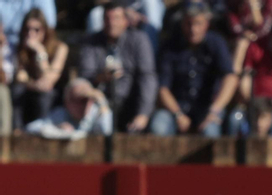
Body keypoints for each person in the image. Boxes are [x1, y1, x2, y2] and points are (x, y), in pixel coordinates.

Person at [153, 3, 239, 136]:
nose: (193, 29)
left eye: (198, 23)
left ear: (206, 24)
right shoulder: (170, 46)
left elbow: (231, 78)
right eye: (189, 23)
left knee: (210, 133)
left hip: (208, 109)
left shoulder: (216, 43)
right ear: (182, 23)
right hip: (176, 108)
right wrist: (178, 114)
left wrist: (214, 110)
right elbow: (163, 88)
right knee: (158, 126)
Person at [76, 0, 158, 132]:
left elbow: (147, 77)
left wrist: (143, 114)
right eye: (107, 18)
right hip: (100, 104)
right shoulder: (90, 42)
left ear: (126, 21)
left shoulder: (139, 40)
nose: (111, 23)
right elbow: (84, 76)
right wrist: (101, 77)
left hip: (131, 103)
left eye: (116, 18)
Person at [11, 8, 64, 128]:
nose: (31, 33)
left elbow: (48, 81)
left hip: (53, 97)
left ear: (45, 30)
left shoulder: (60, 47)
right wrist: (35, 85)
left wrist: (40, 52)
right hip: (29, 91)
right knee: (17, 91)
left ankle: (41, 132)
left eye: (36, 29)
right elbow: (20, 78)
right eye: (27, 29)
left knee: (45, 95)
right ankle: (17, 133)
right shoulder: (21, 49)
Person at [25, 76, 113, 136]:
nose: (84, 105)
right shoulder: (61, 114)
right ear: (67, 102)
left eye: (87, 100)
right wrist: (55, 128)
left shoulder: (96, 113)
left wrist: (102, 102)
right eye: (79, 100)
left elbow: (106, 133)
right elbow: (31, 128)